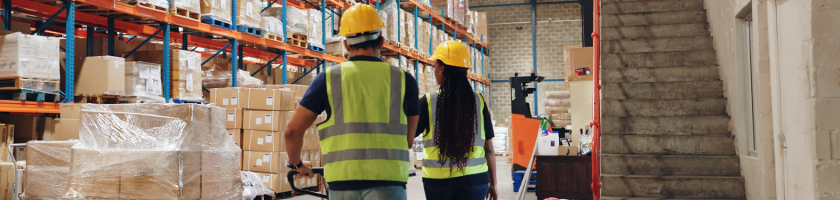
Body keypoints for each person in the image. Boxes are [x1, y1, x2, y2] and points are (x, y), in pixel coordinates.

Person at [283, 4, 420, 200]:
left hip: (343, 184)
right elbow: (407, 140)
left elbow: (292, 132)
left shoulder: (328, 79)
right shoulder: (405, 80)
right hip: (389, 182)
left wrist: (297, 164)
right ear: (381, 41)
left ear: (346, 44)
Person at [416, 41, 498, 200]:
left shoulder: (427, 102)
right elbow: (489, 149)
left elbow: (408, 136)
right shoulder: (478, 102)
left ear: (441, 69)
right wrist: (493, 184)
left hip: (437, 181)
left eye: (434, 66)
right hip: (475, 179)